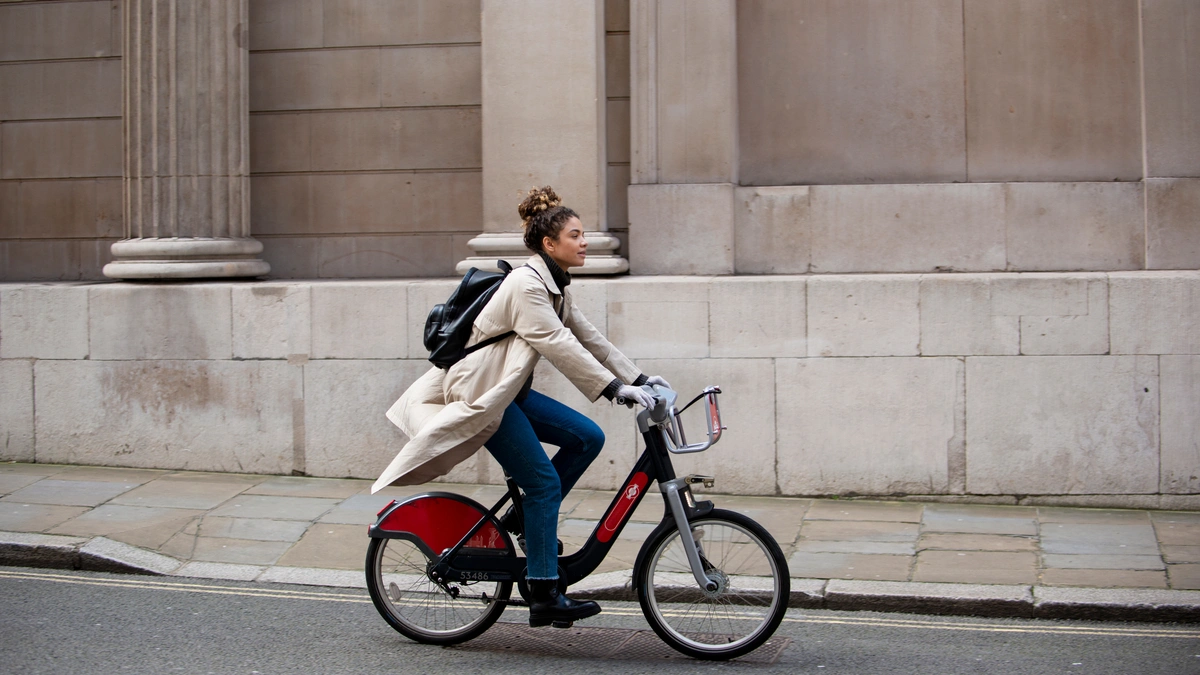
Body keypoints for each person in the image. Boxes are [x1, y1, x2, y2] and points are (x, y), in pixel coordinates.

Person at [372, 186, 668, 628]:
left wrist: (640, 379)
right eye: (575, 235)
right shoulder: (526, 285)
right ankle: (544, 593)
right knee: (544, 484)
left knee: (587, 437)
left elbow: (589, 338)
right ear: (550, 243)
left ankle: (522, 518)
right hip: (485, 396)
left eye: (583, 234)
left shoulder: (555, 286)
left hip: (510, 392)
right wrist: (613, 389)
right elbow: (556, 342)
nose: (585, 242)